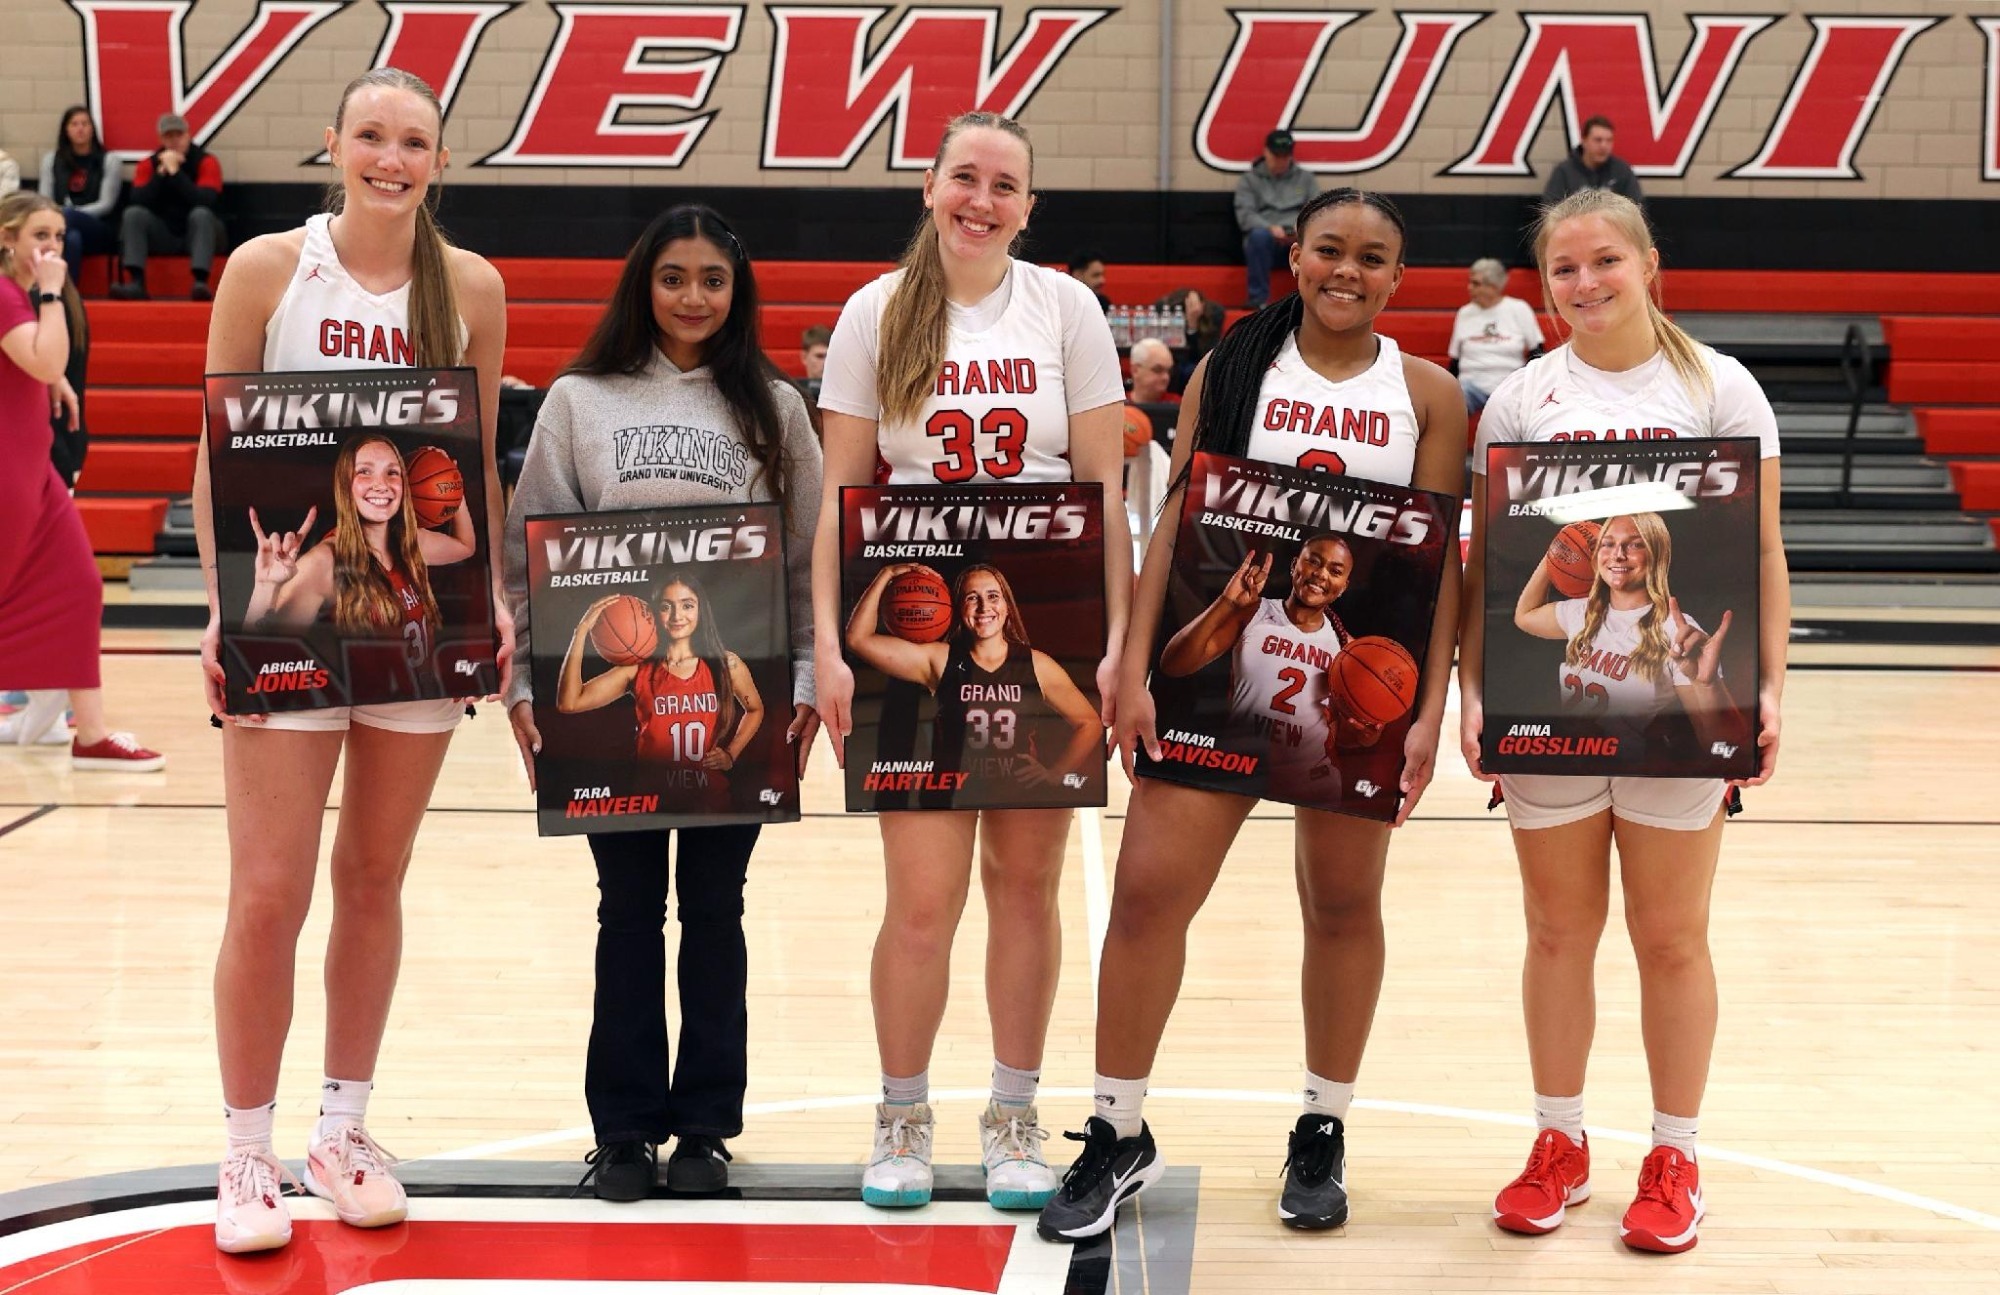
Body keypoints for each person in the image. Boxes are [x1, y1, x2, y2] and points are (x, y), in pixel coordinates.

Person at [1037, 188, 1465, 1241]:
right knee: (1146, 896)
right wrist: (1135, 666)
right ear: (1295, 254)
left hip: (1353, 679)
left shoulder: (1428, 393)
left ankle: (1322, 1126)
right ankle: (1115, 1129)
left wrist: (1426, 708)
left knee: (1341, 904)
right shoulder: (1233, 367)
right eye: (1329, 249)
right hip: (1216, 659)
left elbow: (1437, 566)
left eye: (1371, 257)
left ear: (1397, 277)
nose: (1347, 270)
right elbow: (1173, 518)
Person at [194, 68, 509, 1255]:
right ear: (333, 144)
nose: (391, 157)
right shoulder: (267, 269)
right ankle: (245, 1147)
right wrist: (226, 607)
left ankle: (341, 1129)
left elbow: (474, 464)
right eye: (371, 135)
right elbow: (216, 453)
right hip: (293, 610)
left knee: (373, 877)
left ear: (439, 160)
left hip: (417, 618)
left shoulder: (469, 286)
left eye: (413, 141)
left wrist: (492, 602)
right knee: (268, 890)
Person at [1458, 188, 1786, 1255]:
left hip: (1676, 712)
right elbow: (1487, 566)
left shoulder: (1719, 387)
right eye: (1563, 268)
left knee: (1669, 934)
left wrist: (1767, 686)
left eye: (1605, 260)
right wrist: (1472, 691)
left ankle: (1674, 1155)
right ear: (1543, 285)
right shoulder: (1520, 400)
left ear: (1648, 264)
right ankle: (1557, 1141)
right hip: (1553, 708)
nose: (1585, 282)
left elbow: (1763, 551)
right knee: (1556, 931)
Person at [812, 110, 1129, 1211]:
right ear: (930, 187)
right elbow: (840, 499)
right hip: (913, 615)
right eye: (964, 177)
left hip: (1039, 611)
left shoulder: (1066, 308)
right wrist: (828, 644)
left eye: (1003, 185)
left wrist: (1113, 646)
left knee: (1025, 888)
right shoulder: (875, 311)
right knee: (921, 897)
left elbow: (1103, 495)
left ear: (1028, 207)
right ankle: (901, 1112)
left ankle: (1012, 1113)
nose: (980, 200)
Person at [504, 203, 822, 1201]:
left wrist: (804, 687)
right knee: (629, 911)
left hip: (733, 701)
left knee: (718, 910)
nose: (692, 296)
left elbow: (806, 564)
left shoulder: (776, 407)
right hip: (616, 716)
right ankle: (625, 1127)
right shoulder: (577, 400)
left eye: (712, 279)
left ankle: (705, 1127)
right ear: (643, 283)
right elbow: (528, 556)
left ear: (738, 291)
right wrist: (525, 690)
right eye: (673, 276)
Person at [0, 191, 163, 770]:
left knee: (79, 586)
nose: (52, 246)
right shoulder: (9, 293)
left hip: (34, 471)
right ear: (8, 240)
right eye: (39, 235)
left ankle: (90, 734)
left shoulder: (18, 296)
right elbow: (45, 357)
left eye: (57, 236)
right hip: (8, 474)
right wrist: (49, 295)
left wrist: (51, 382)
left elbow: (39, 364)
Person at [845, 562, 1102, 789]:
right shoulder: (940, 659)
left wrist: (1057, 773)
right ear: (958, 608)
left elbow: (1090, 724)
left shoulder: (1036, 665)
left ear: (1007, 606)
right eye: (972, 598)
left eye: (993, 596)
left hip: (1014, 791)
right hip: (953, 792)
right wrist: (886, 574)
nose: (983, 607)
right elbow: (858, 639)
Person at [1515, 514, 1749, 760]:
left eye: (1635, 544)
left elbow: (1720, 747)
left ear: (1657, 555)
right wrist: (1557, 552)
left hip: (1628, 768)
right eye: (1607, 543)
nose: (1618, 554)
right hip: (1569, 761)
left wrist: (1708, 685)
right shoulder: (1583, 611)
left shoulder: (1676, 629)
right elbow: (1525, 616)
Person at [111, 112, 226, 301]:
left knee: (201, 214)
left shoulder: (206, 161)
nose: (174, 141)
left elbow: (206, 200)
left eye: (178, 135)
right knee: (133, 214)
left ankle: (200, 282)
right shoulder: (149, 164)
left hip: (202, 234)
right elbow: (138, 200)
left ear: (188, 135)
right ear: (161, 139)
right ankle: (137, 282)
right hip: (164, 233)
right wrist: (160, 174)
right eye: (168, 136)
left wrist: (176, 173)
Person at [1234, 130, 1316, 308]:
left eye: (1284, 156)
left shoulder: (1306, 179)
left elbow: (1316, 212)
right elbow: (1245, 215)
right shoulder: (1250, 180)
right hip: (1266, 243)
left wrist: (1300, 229)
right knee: (1258, 236)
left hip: (1297, 239)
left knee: (1316, 239)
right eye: (1276, 156)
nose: (1280, 160)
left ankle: (1311, 299)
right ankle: (1258, 300)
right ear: (1266, 152)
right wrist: (1269, 228)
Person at [41, 107, 122, 285]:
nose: (80, 129)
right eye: (74, 124)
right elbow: (44, 201)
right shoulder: (51, 160)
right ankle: (67, 292)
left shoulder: (109, 160)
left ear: (92, 129)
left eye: (85, 124)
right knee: (72, 239)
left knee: (68, 219)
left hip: (98, 227)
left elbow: (106, 204)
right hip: (61, 227)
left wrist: (72, 213)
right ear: (66, 130)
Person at [1449, 258, 1542, 413]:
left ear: (1493, 286)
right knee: (1450, 405)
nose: (1469, 288)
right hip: (1470, 386)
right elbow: (1455, 361)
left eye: (1476, 284)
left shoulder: (1519, 309)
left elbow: (1537, 352)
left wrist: (1525, 383)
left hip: (1509, 385)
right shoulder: (1465, 313)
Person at [1542, 116, 1644, 205]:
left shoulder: (1622, 171)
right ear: (1584, 141)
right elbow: (1551, 208)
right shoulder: (1564, 172)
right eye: (1598, 140)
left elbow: (1637, 207)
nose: (1603, 146)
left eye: (1609, 140)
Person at [1126, 336, 1177, 405]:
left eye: (1169, 371)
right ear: (1135, 370)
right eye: (1158, 370)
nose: (1166, 377)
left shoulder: (1180, 405)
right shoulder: (1116, 407)